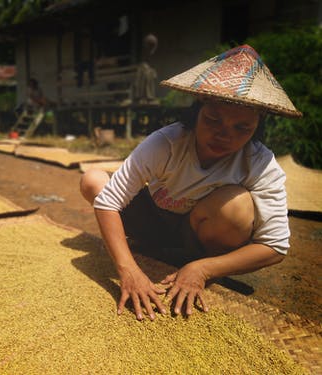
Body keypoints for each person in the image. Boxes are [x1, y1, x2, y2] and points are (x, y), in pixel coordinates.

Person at [80, 45, 302, 320]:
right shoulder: (166, 143)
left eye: (241, 128)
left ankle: (196, 263)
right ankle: (152, 250)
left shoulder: (260, 163)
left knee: (238, 206)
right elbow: (108, 200)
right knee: (93, 180)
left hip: (195, 237)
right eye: (213, 120)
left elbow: (275, 246)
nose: (223, 135)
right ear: (197, 110)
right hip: (153, 222)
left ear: (257, 126)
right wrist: (128, 270)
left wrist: (204, 269)